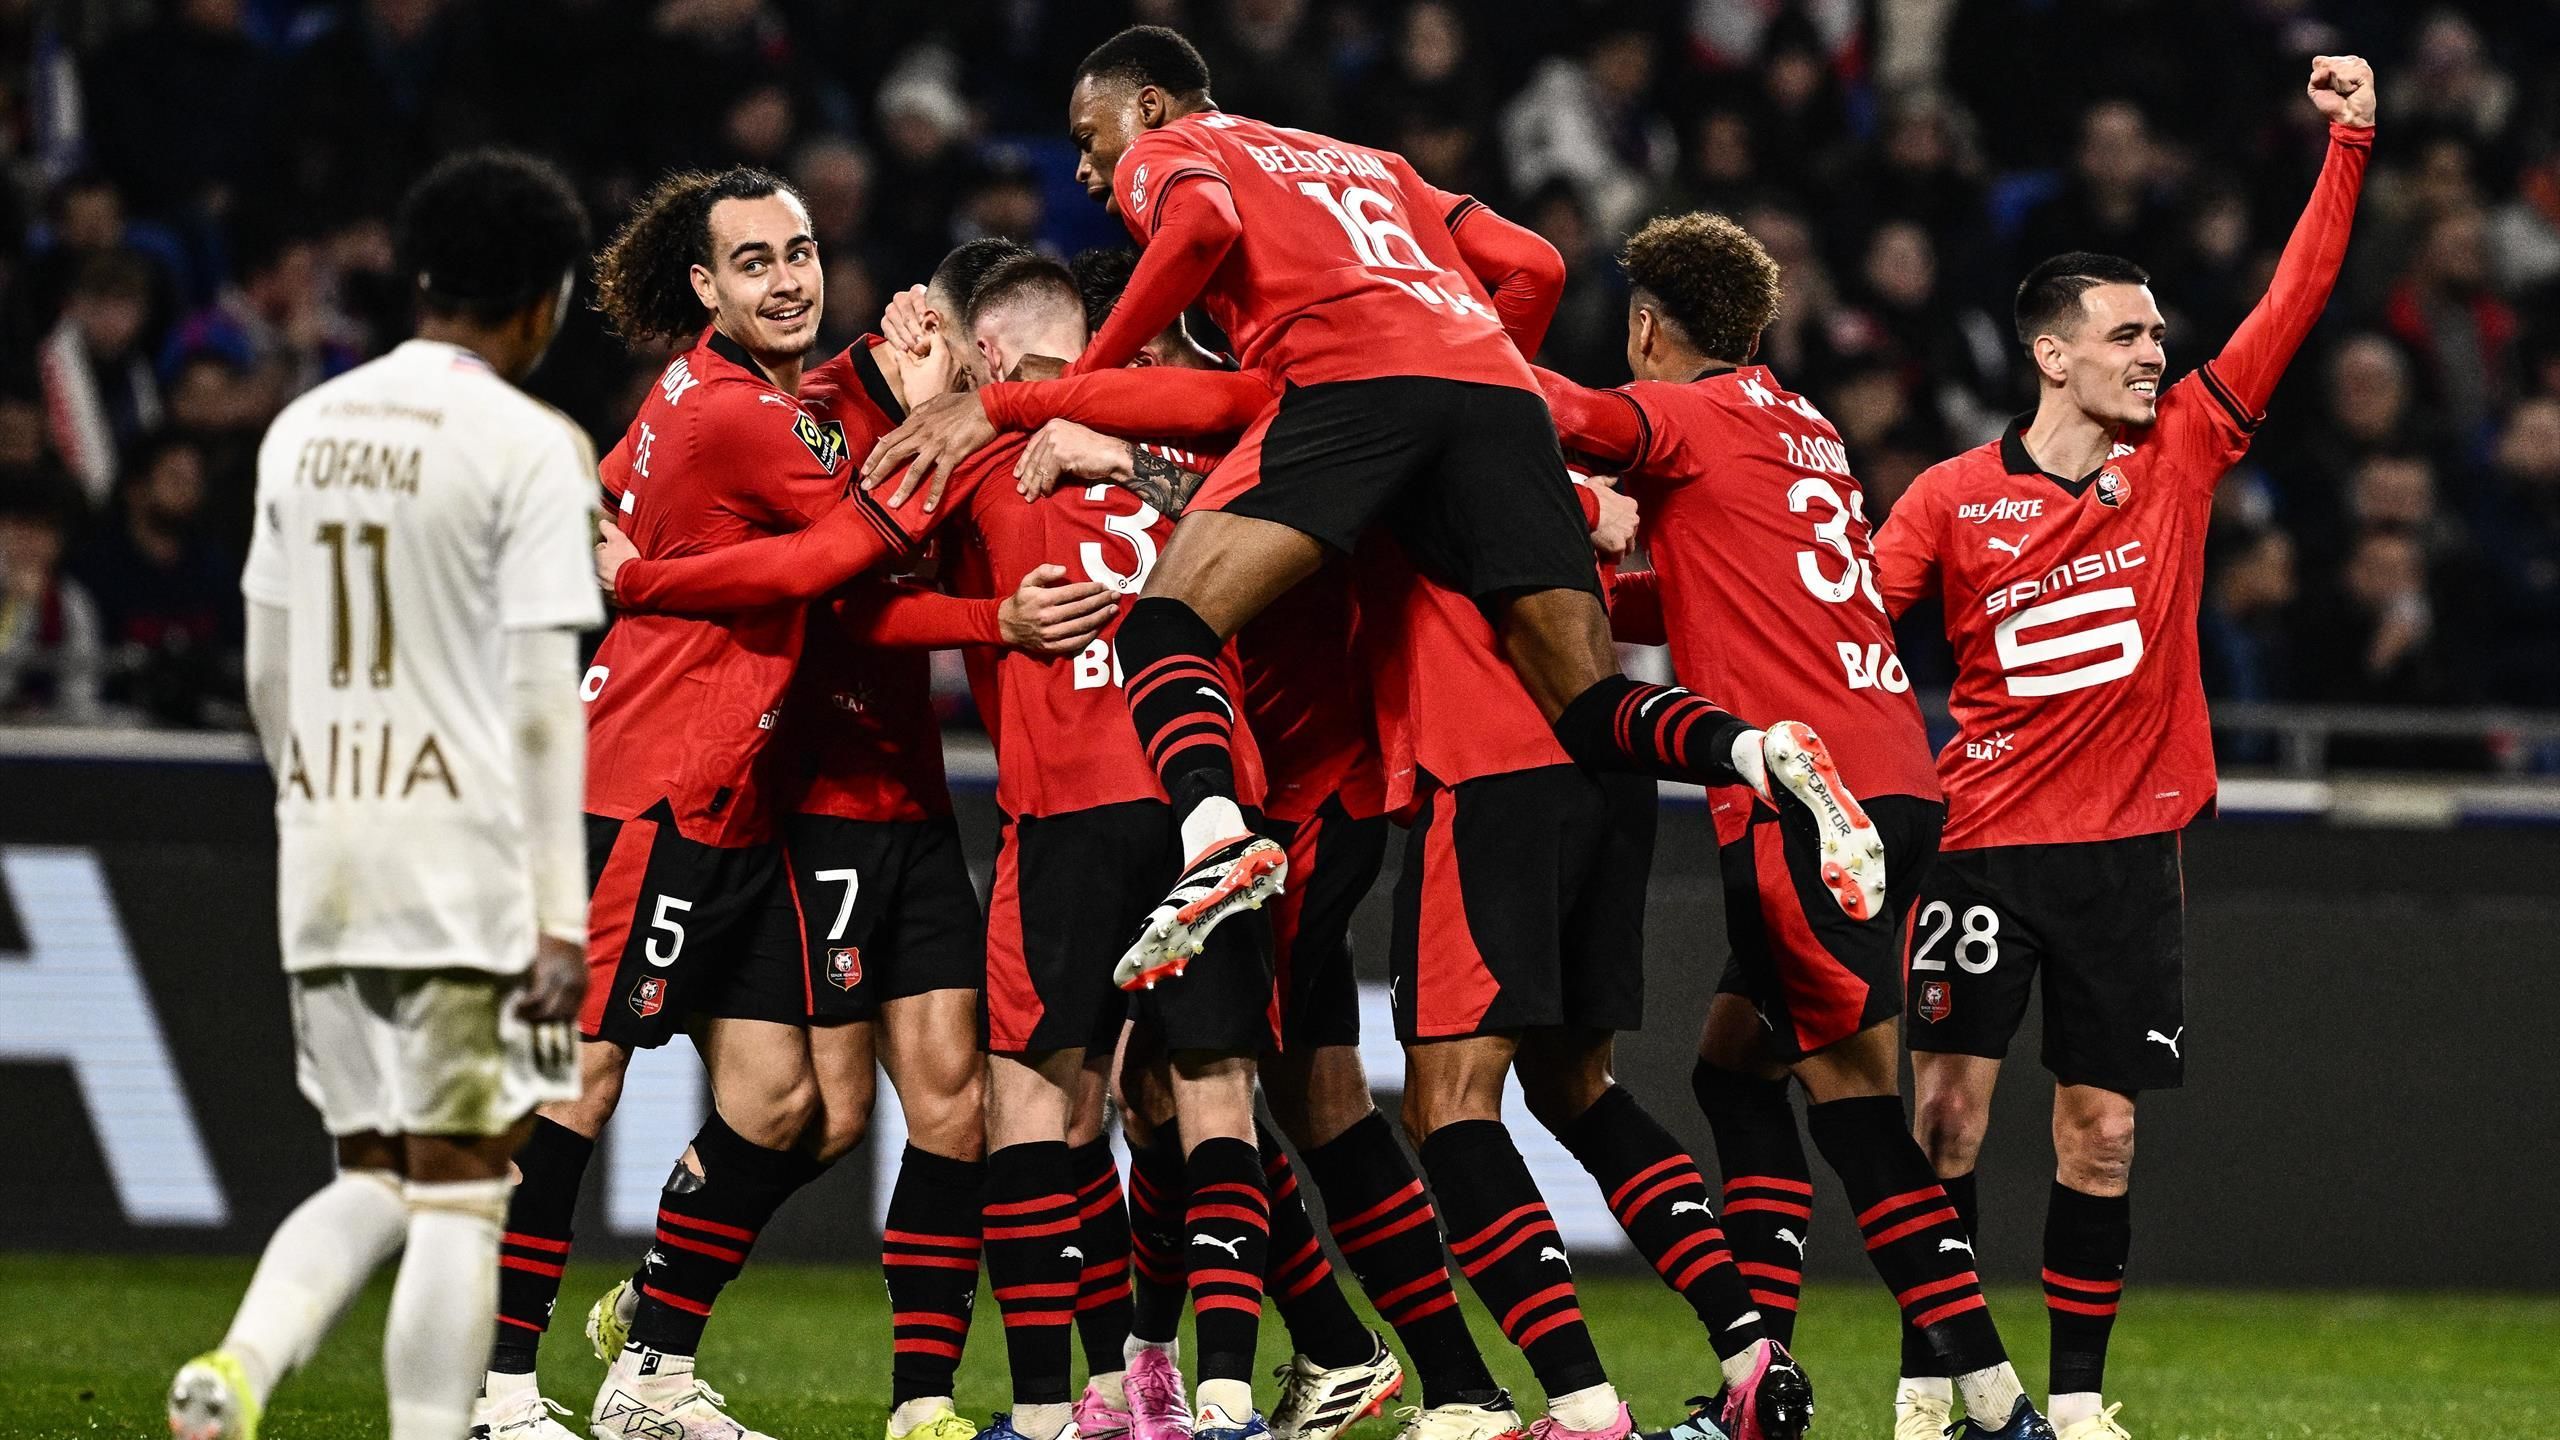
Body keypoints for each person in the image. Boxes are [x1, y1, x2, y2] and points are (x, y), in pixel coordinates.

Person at [764, 24, 1888, 990]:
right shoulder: (1371, 159)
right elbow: (1537, 266)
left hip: (1352, 389)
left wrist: (1063, 390)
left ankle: (1214, 839)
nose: (1092, 168)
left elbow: (1198, 232)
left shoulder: (1180, 146)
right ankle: (1763, 756)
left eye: (1089, 135)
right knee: (1587, 701)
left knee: (1167, 622)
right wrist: (1467, 391)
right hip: (1490, 393)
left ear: (1145, 103)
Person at [602, 252, 1284, 1440]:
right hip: (1146, 796)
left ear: (992, 355)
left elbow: (856, 585)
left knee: (995, 1105)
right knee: (1196, 1095)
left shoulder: (968, 445)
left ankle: (986, 1406)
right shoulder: (1185, 453)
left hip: (1018, 804)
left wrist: (939, 425)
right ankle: (1207, 1395)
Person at [1870, 56, 2375, 1440]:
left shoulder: (2189, 453)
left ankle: (2081, 1404)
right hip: (1977, 851)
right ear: (2051, 354)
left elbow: (2299, 299)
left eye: (2160, 333)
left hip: (2125, 860)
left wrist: (2351, 143)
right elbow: (1836, 620)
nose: (2160, 352)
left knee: (2102, 1135)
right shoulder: (1949, 501)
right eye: (2131, 334)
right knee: (1947, 1126)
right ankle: (1934, 1383)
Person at [1536, 213, 2035, 1440]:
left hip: (1809, 800)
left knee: (1858, 1110)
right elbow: (1726, 584)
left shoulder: (1685, 416)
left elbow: (1545, 406)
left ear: (1649, 328)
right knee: (1734, 1069)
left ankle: (1997, 1403)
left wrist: (1407, 327)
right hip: (1892, 774)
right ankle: (1761, 1390)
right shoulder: (1801, 425)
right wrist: (1606, 579)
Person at [166, 149, 599, 1440]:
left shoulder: (305, 426)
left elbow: (264, 668)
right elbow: (537, 698)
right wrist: (560, 911)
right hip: (462, 863)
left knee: (373, 1167)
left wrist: (320, 799)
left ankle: (239, 1367)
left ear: (421, 275)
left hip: (329, 847)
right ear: (545, 299)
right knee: (466, 1188)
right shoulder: (527, 447)